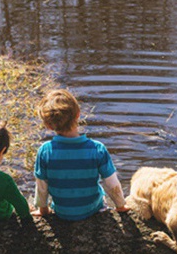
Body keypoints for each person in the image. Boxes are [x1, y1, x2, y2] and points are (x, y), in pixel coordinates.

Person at [33, 89, 129, 220]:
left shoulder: (45, 151)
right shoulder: (97, 149)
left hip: (62, 212)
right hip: (92, 210)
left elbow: (42, 186)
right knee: (100, 192)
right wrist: (120, 206)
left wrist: (43, 210)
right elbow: (112, 184)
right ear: (78, 115)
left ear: (49, 125)